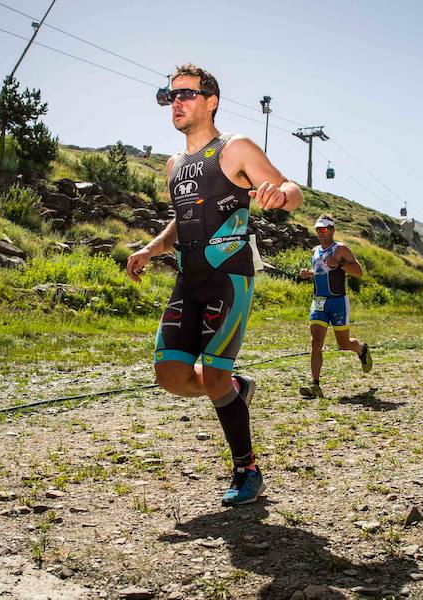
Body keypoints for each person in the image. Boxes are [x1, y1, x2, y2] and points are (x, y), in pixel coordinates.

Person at [126, 64, 303, 506]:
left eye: (185, 93)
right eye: (170, 95)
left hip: (229, 277)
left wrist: (281, 195)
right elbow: (182, 221)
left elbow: (291, 188)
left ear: (211, 101)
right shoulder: (174, 165)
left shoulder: (234, 147)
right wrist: (150, 249)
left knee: (215, 376)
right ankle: (235, 390)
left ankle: (247, 469)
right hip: (188, 279)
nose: (176, 102)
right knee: (169, 375)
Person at [297, 214, 372, 398]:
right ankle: (315, 384)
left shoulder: (341, 249)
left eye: (323, 229)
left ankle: (362, 350)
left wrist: (339, 264)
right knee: (316, 342)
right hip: (319, 301)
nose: (320, 233)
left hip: (338, 302)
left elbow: (359, 272)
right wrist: (309, 274)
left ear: (332, 230)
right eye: (317, 229)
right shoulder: (315, 250)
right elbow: (321, 271)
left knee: (344, 344)